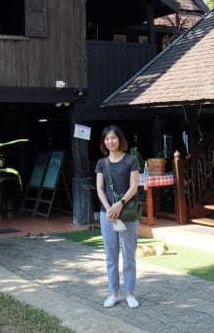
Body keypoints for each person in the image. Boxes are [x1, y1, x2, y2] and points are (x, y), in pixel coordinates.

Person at [95, 124, 140, 308]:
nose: (110, 141)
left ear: (120, 139)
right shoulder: (101, 163)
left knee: (128, 254)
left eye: (113, 138)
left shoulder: (131, 160)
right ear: (103, 142)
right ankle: (113, 293)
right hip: (108, 215)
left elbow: (134, 186)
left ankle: (130, 293)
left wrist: (119, 205)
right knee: (110, 256)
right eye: (107, 138)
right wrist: (109, 208)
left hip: (127, 213)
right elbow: (99, 188)